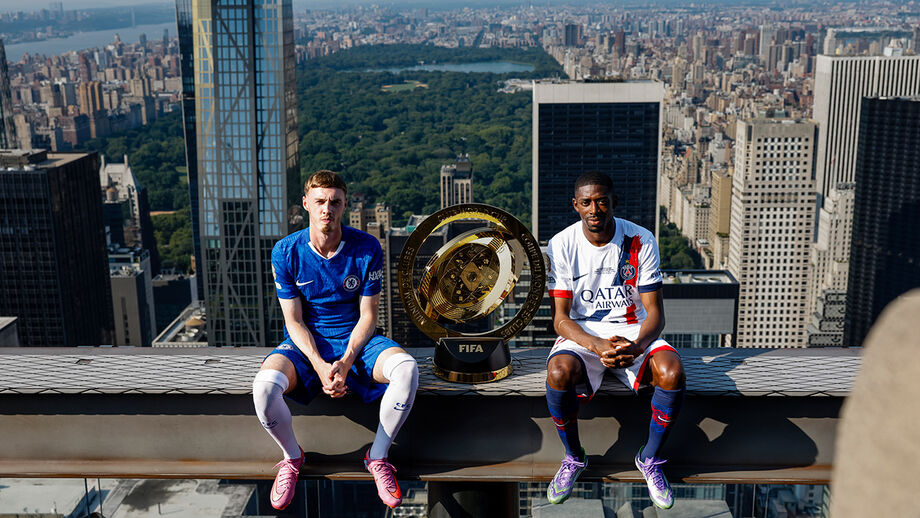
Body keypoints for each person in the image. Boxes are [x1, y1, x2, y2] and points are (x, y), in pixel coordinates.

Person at [252, 170, 419, 510]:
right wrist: (319, 363)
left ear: (344, 205)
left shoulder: (366, 247)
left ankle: (378, 457)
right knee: (265, 387)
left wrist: (345, 361)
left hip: (355, 340)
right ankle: (291, 458)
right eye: (320, 202)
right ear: (306, 205)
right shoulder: (286, 252)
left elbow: (369, 316)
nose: (327, 209)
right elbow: (293, 321)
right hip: (308, 343)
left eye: (335, 202)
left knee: (407, 370)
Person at [544, 172, 686, 510]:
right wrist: (596, 345)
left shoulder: (641, 239)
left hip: (633, 331)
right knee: (558, 373)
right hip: (584, 333)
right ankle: (574, 457)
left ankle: (649, 458)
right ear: (576, 206)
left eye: (602, 200)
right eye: (587, 202)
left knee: (672, 372)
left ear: (614, 202)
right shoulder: (561, 243)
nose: (595, 208)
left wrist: (635, 348)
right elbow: (561, 319)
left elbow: (656, 314)